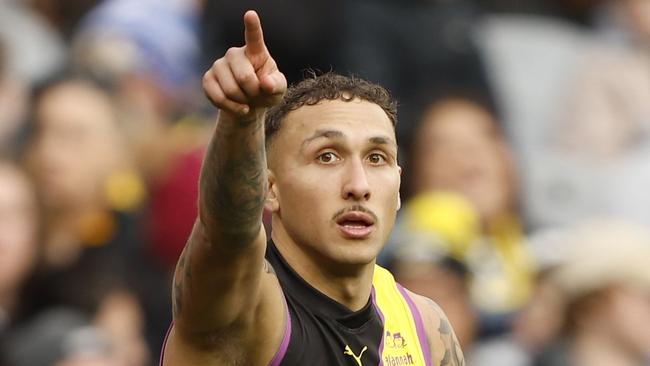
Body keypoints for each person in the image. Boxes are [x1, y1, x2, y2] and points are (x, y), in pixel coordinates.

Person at [161, 10, 465, 366]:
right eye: (327, 156)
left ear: (399, 188)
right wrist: (240, 121)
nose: (358, 186)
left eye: (377, 158)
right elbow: (225, 236)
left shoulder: (426, 329)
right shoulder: (245, 308)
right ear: (268, 189)